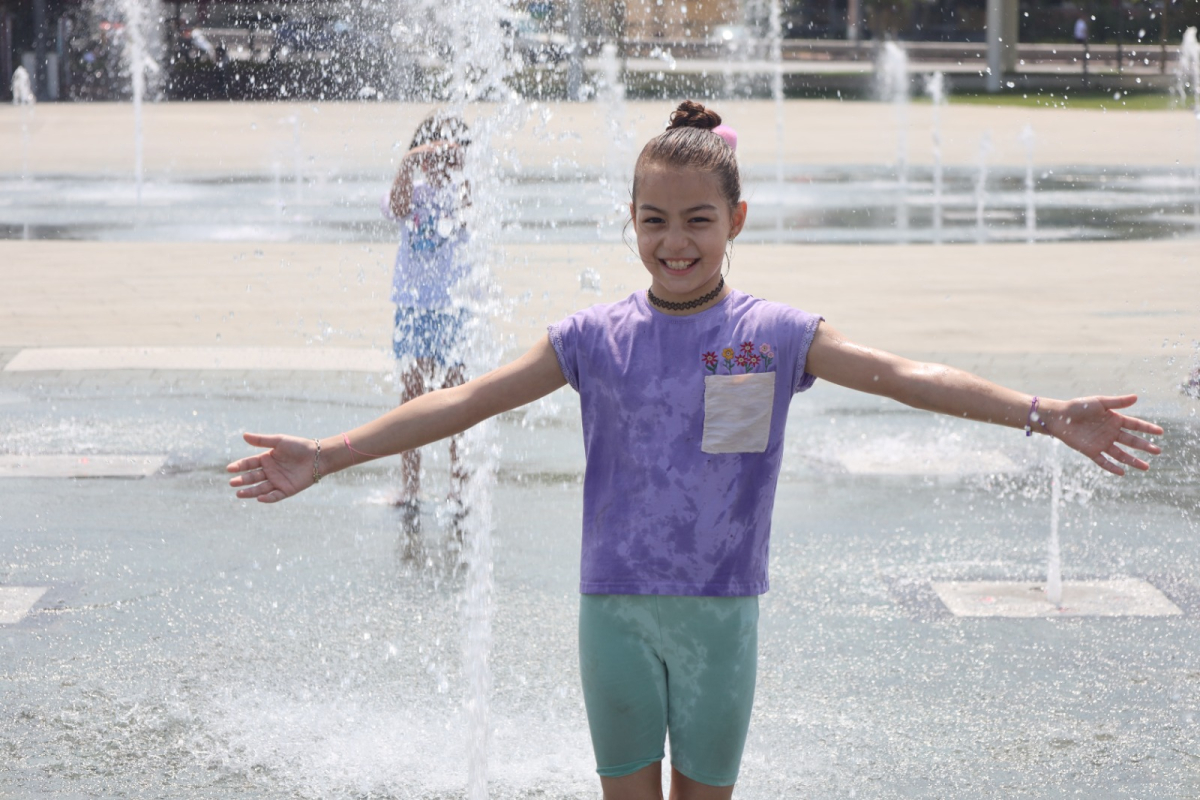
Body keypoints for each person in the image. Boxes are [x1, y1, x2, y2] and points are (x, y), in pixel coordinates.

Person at [227, 100, 1163, 799]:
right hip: (616, 614)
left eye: (698, 221)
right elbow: (462, 402)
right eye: (655, 221)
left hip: (721, 618)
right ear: (630, 222)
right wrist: (329, 454)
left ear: (737, 221)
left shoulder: (777, 333)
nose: (675, 242)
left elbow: (905, 374)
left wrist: (1042, 412)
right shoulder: (592, 336)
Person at [383, 111, 473, 542]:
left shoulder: (464, 191)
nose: (438, 162)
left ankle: (459, 486)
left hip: (453, 308)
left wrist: (461, 170)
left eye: (447, 152)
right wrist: (408, 160)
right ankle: (411, 486)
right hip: (413, 308)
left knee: (458, 398)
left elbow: (472, 213)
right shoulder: (412, 192)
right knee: (412, 395)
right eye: (431, 152)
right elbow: (396, 207)